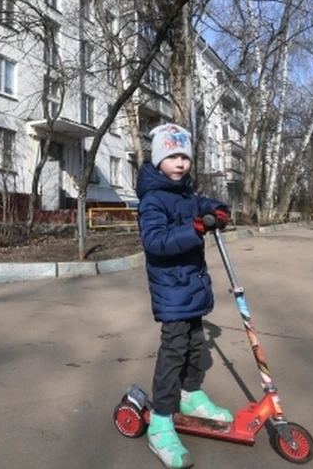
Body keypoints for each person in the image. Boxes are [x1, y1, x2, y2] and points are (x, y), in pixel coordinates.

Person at [136, 123, 232, 469]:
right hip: (172, 287)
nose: (180, 163)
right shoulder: (152, 199)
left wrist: (218, 210)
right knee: (174, 349)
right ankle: (162, 418)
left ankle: (190, 394)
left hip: (192, 287)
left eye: (184, 157)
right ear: (159, 159)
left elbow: (203, 203)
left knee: (195, 342)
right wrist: (194, 229)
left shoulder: (185, 194)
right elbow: (156, 243)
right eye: (173, 156)